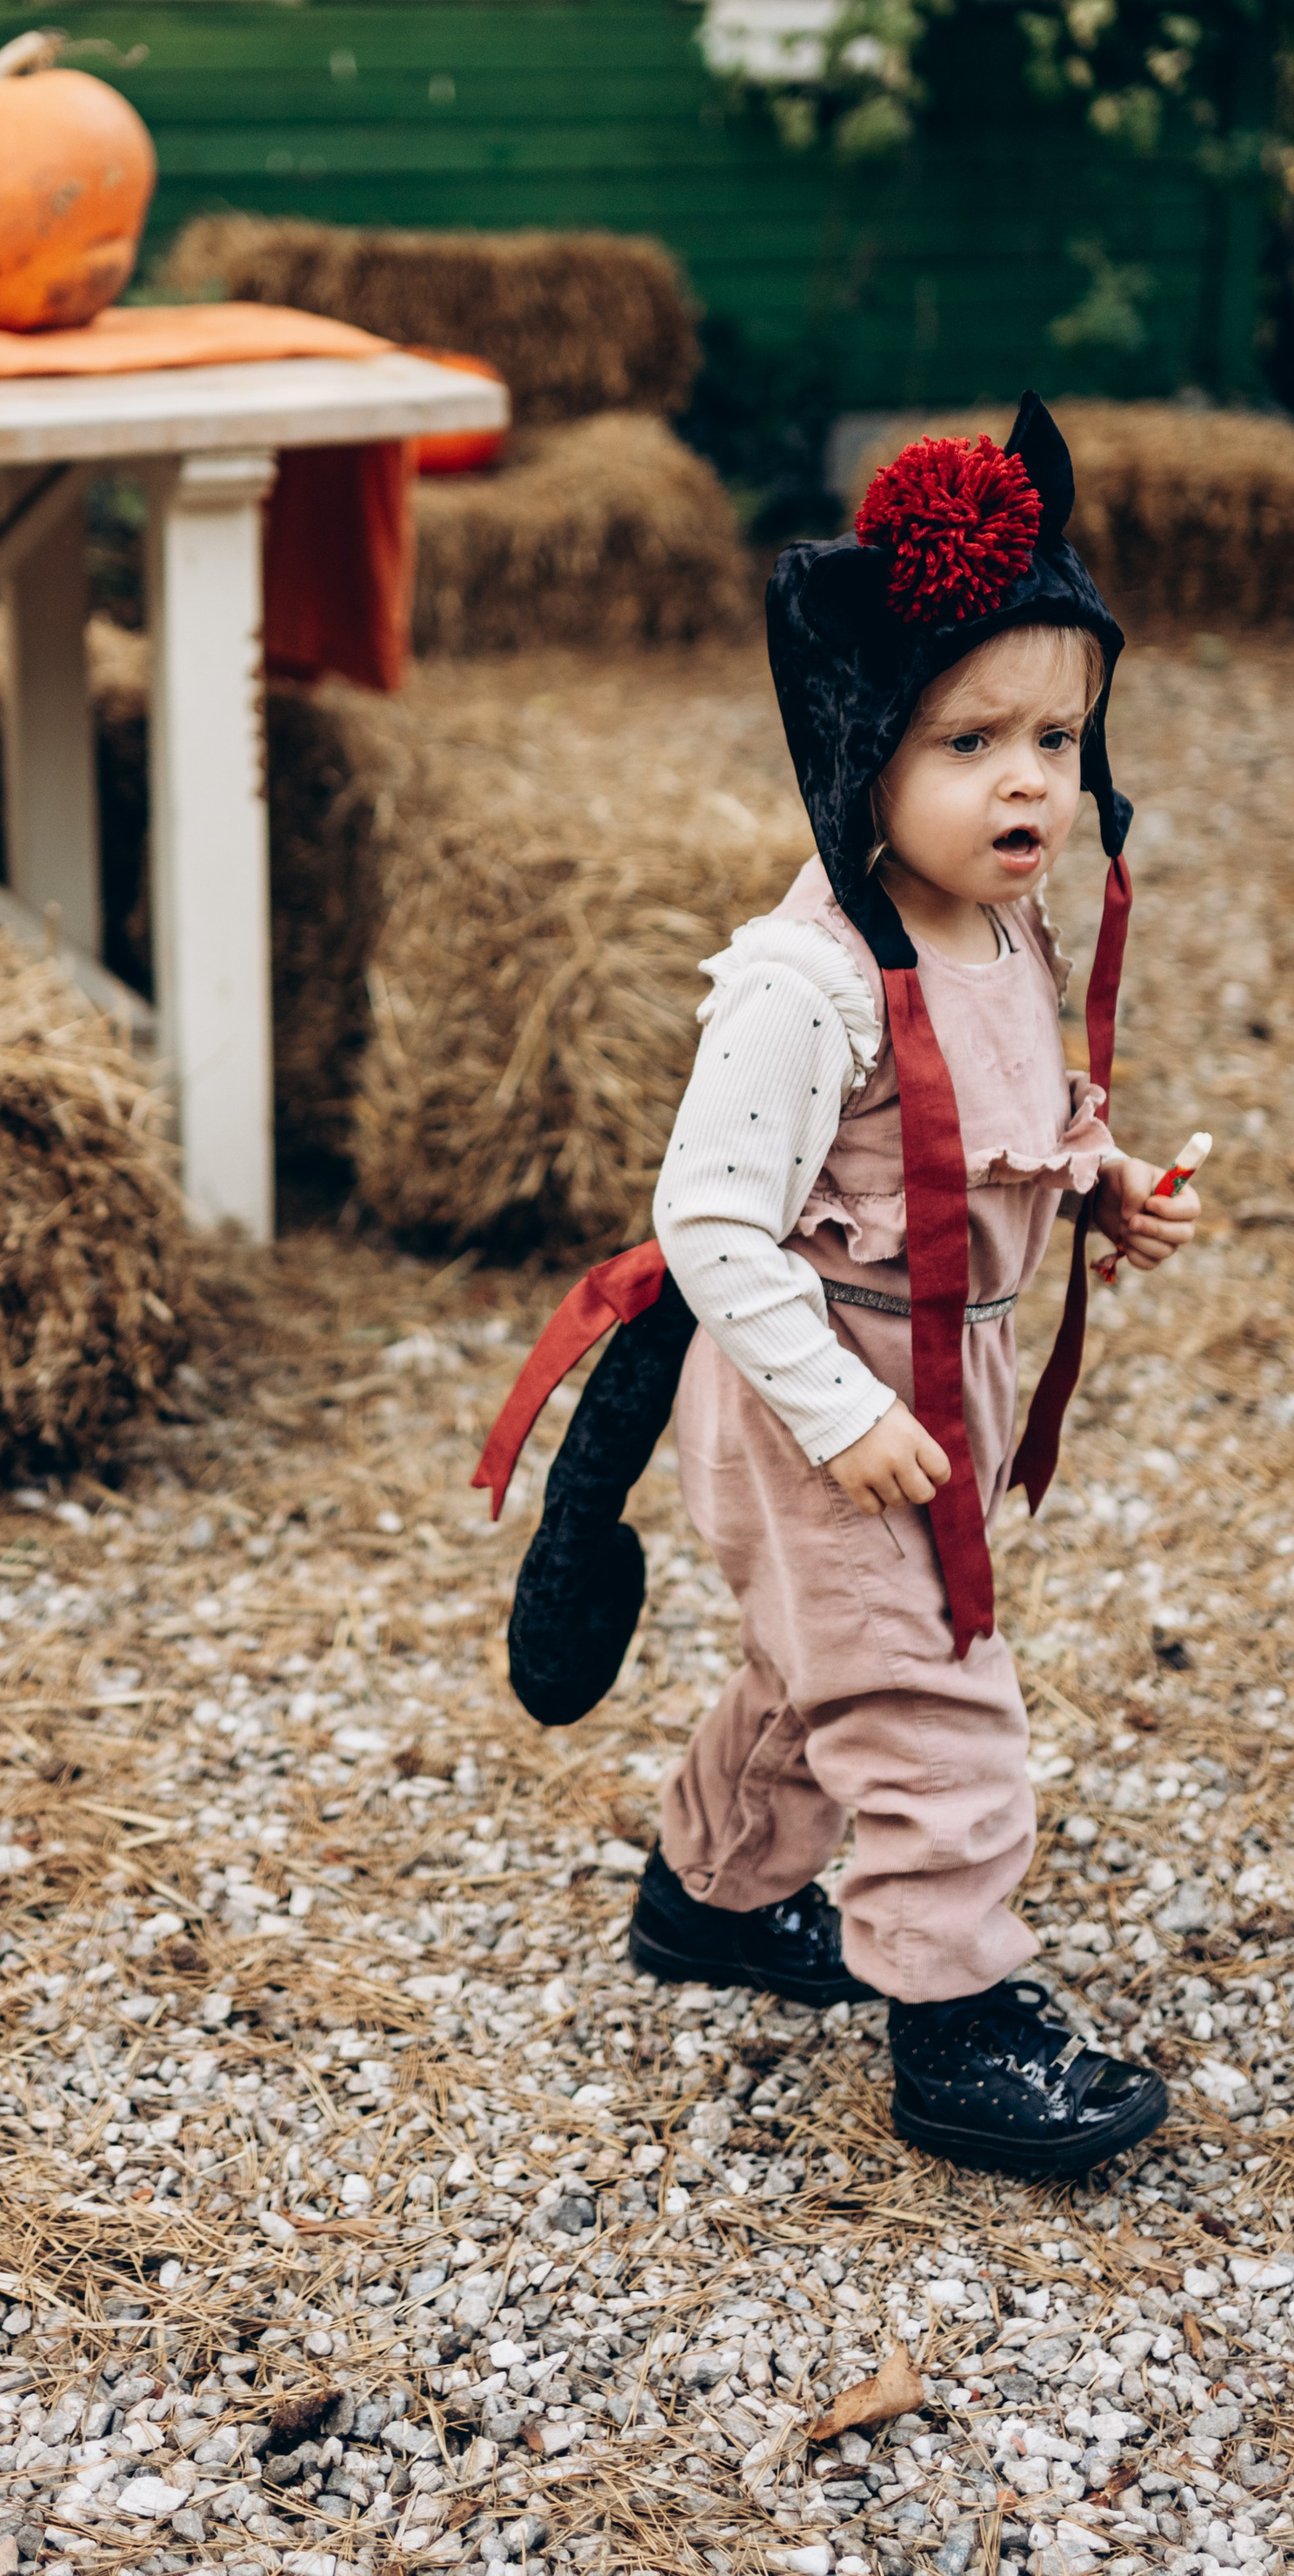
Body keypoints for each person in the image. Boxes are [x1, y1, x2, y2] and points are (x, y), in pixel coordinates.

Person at [473, 396, 1198, 2179]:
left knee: (831, 1664)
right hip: (819, 1388)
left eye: (1055, 734)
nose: (1025, 779)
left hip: (933, 1373)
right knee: (926, 1684)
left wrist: (1095, 1186)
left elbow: (1003, 1122)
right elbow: (712, 1221)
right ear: (860, 744)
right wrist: (842, 1407)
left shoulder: (994, 918)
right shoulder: (803, 981)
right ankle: (954, 2029)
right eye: (969, 741)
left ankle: (708, 1900)